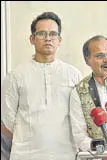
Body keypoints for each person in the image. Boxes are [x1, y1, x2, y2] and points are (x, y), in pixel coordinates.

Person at [1, 12, 82, 160]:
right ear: (32, 39)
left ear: (59, 40)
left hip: (65, 154)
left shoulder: (73, 74)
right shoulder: (16, 75)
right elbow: (7, 120)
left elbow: (79, 117)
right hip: (25, 155)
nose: (48, 38)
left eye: (53, 34)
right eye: (42, 33)